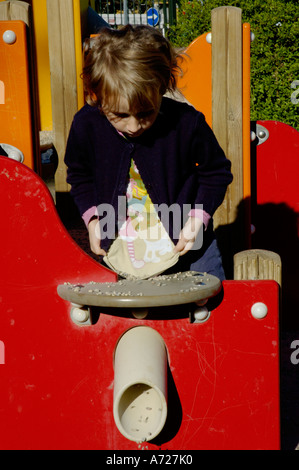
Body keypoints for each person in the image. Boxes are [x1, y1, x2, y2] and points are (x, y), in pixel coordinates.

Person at [64, 24, 233, 280]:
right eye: (119, 115)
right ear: (96, 96)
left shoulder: (186, 123)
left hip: (188, 239)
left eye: (146, 113)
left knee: (206, 300)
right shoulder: (87, 125)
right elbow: (79, 174)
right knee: (131, 310)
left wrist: (198, 218)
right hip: (123, 244)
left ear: (162, 88)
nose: (134, 126)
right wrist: (93, 220)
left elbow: (216, 172)